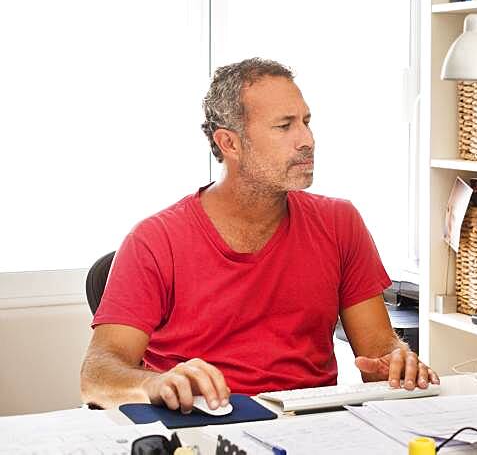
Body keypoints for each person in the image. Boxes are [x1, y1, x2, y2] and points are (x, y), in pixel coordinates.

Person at [80, 58, 438, 412]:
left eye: (306, 122)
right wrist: (153, 383)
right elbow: (97, 376)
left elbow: (378, 350)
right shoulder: (155, 240)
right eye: (284, 126)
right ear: (229, 144)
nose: (307, 140)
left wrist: (396, 362)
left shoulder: (340, 222)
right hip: (202, 429)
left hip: (309, 428)